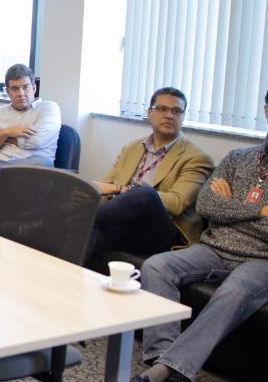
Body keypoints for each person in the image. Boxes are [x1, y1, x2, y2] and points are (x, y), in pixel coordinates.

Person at [126, 78, 268, 382]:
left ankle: (156, 377)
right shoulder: (238, 158)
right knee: (156, 266)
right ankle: (166, 365)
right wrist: (261, 211)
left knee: (233, 290)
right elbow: (207, 206)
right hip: (215, 248)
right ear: (266, 110)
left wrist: (231, 208)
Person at [86, 87, 215, 261]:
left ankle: (81, 217)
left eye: (176, 111)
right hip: (122, 223)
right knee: (86, 236)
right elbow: (104, 187)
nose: (169, 115)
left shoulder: (197, 157)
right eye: (162, 109)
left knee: (145, 194)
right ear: (149, 113)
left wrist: (122, 189)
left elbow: (177, 203)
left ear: (183, 116)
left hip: (162, 231)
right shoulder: (131, 148)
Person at [0, 63, 60, 167]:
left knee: (41, 161)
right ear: (8, 91)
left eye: (25, 87)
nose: (21, 93)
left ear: (34, 88)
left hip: (33, 168)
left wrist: (0, 134)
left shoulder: (48, 108)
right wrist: (6, 132)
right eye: (15, 88)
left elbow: (36, 141)